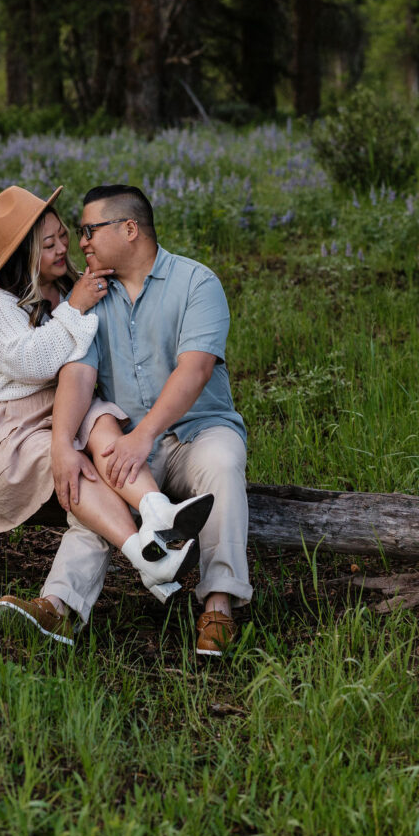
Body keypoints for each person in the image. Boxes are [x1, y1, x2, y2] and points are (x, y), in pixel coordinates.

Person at [0, 184, 213, 646]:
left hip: (58, 414)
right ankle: (147, 558)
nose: (63, 248)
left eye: (63, 236)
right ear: (23, 255)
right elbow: (34, 363)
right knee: (80, 459)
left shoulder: (73, 285)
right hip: (3, 430)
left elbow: (85, 362)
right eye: (48, 244)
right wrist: (75, 307)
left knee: (101, 414)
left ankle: (158, 514)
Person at [48, 185, 253, 656]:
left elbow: (196, 368)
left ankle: (219, 605)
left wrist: (144, 435)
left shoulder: (196, 283)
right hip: (133, 441)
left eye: (88, 230)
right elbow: (78, 374)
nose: (81, 242)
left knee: (223, 465)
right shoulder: (93, 296)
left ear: (130, 229)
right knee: (95, 484)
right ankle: (58, 605)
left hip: (201, 429)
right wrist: (64, 445)